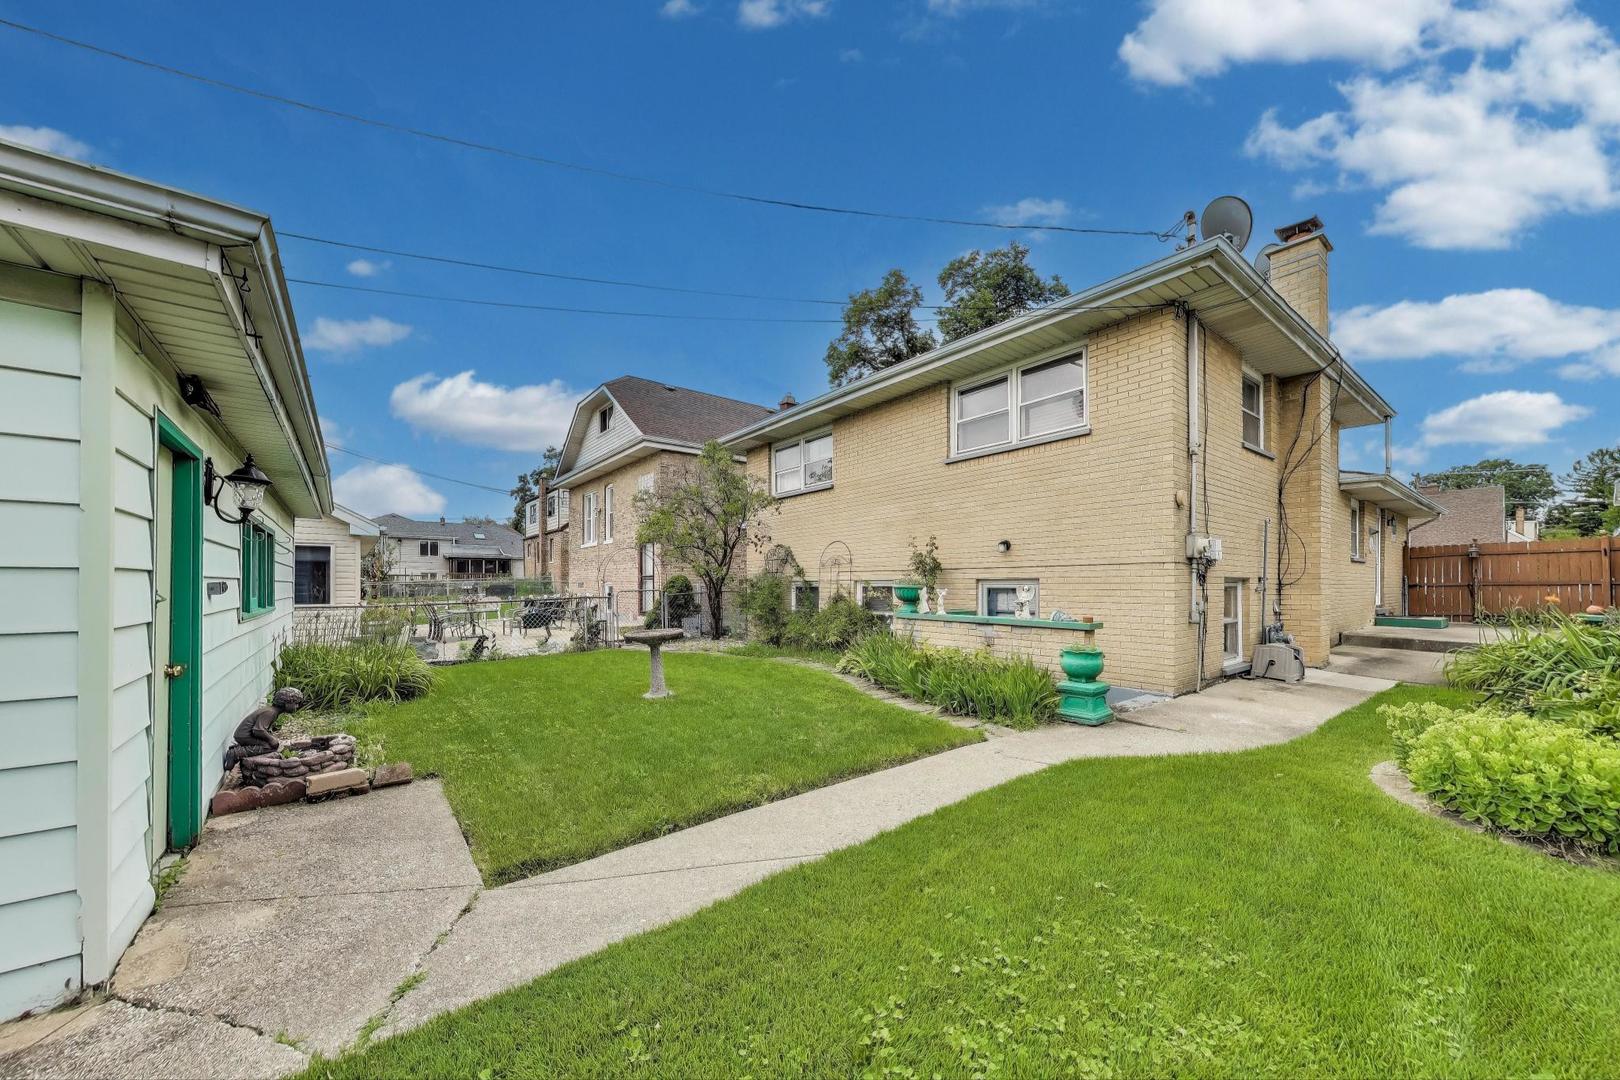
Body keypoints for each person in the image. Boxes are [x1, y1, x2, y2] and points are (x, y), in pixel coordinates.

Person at [223, 687, 306, 769]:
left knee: (272, 744)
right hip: (245, 736)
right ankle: (236, 753)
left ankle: (241, 748)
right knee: (269, 747)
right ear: (286, 703)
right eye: (295, 703)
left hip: (247, 735)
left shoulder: (272, 711)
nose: (297, 706)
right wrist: (271, 740)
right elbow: (258, 730)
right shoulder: (270, 712)